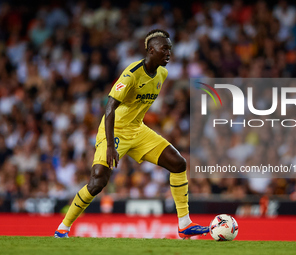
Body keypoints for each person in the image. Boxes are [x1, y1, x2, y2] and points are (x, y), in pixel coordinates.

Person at [54, 29, 209, 239]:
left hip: (137, 129)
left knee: (179, 163)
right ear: (151, 50)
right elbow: (109, 109)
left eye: (170, 49)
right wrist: (110, 145)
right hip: (115, 129)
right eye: (165, 49)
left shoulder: (162, 73)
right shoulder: (131, 74)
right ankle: (63, 228)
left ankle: (184, 224)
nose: (169, 53)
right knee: (98, 181)